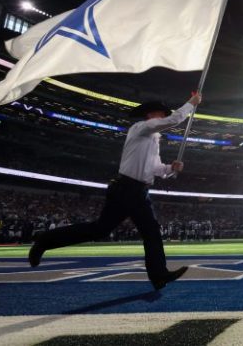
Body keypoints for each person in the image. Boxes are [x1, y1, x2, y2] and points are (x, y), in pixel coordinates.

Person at [29, 93, 202, 290]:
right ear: (149, 115)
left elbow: (154, 169)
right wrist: (191, 104)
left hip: (139, 191)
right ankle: (43, 241)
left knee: (149, 232)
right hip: (126, 188)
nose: (163, 116)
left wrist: (171, 168)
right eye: (160, 113)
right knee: (102, 230)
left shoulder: (153, 139)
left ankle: (159, 275)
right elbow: (173, 120)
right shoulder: (140, 128)